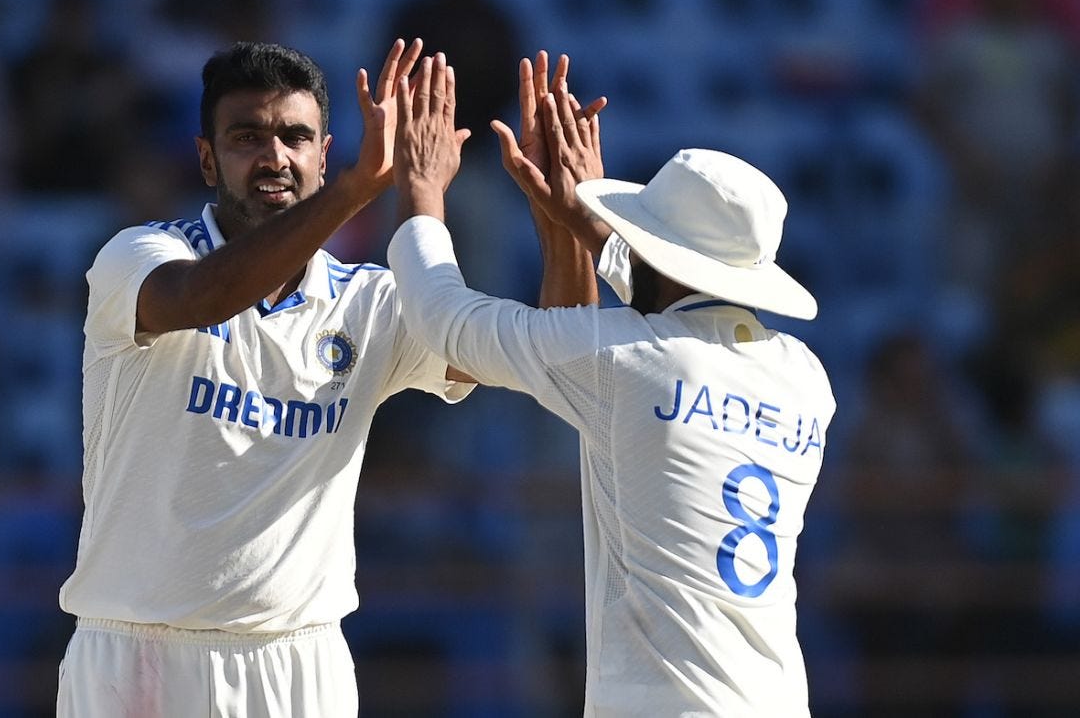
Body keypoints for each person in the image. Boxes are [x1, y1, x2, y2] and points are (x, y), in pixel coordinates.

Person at [387, 54, 836, 715]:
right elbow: (669, 314)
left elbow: (442, 316)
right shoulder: (806, 377)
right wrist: (589, 226)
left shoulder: (624, 361)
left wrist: (422, 189)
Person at [55, 39, 478, 717]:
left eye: (295, 136)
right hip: (140, 659)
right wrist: (355, 190)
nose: (274, 156)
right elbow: (203, 298)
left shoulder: (366, 302)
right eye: (247, 137)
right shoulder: (137, 256)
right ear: (206, 158)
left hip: (300, 663)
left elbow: (490, 351)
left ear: (322, 150)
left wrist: (555, 223)